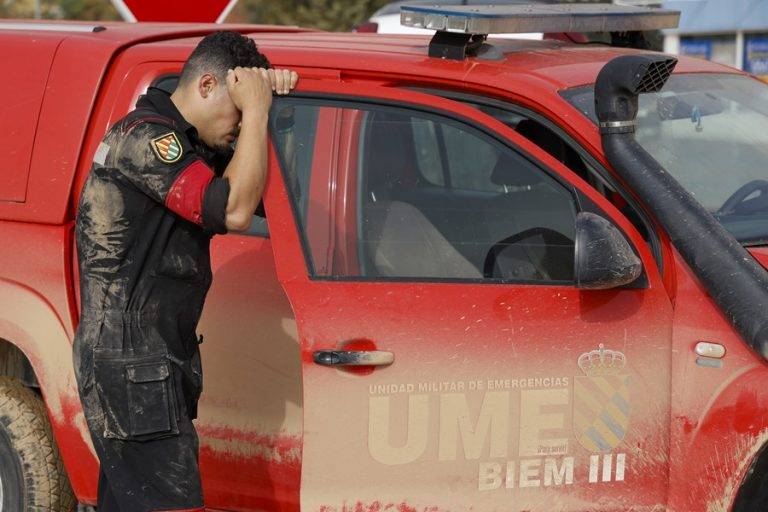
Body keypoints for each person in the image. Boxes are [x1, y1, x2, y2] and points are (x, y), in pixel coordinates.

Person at [72, 31, 298, 511]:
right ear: (208, 85)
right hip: (132, 366)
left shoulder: (189, 145)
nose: (240, 128)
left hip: (148, 363)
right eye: (236, 110)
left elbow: (262, 195)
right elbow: (234, 211)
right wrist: (256, 112)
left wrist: (267, 106)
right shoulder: (147, 140)